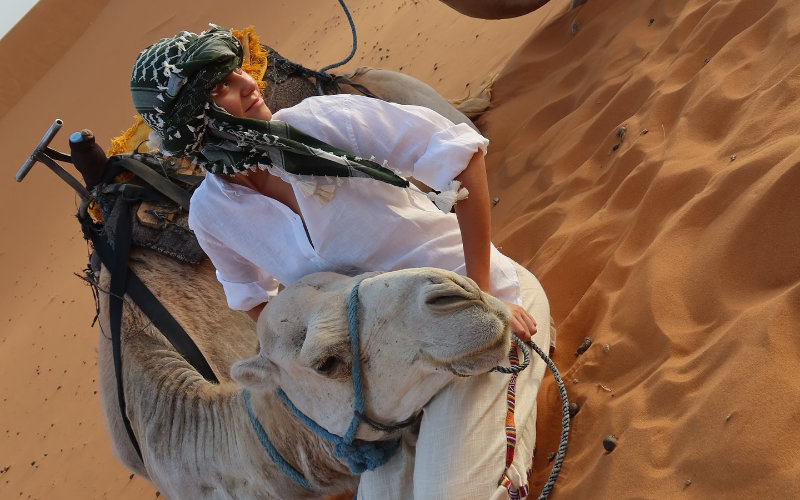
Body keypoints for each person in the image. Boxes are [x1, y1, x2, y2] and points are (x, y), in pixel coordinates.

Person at [131, 25, 551, 499]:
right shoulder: (213, 214)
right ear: (192, 122)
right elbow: (257, 303)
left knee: (450, 492)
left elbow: (460, 158)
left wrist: (484, 292)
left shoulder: (321, 124)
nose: (250, 83)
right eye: (220, 87)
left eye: (236, 71)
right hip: (386, 372)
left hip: (467, 310)